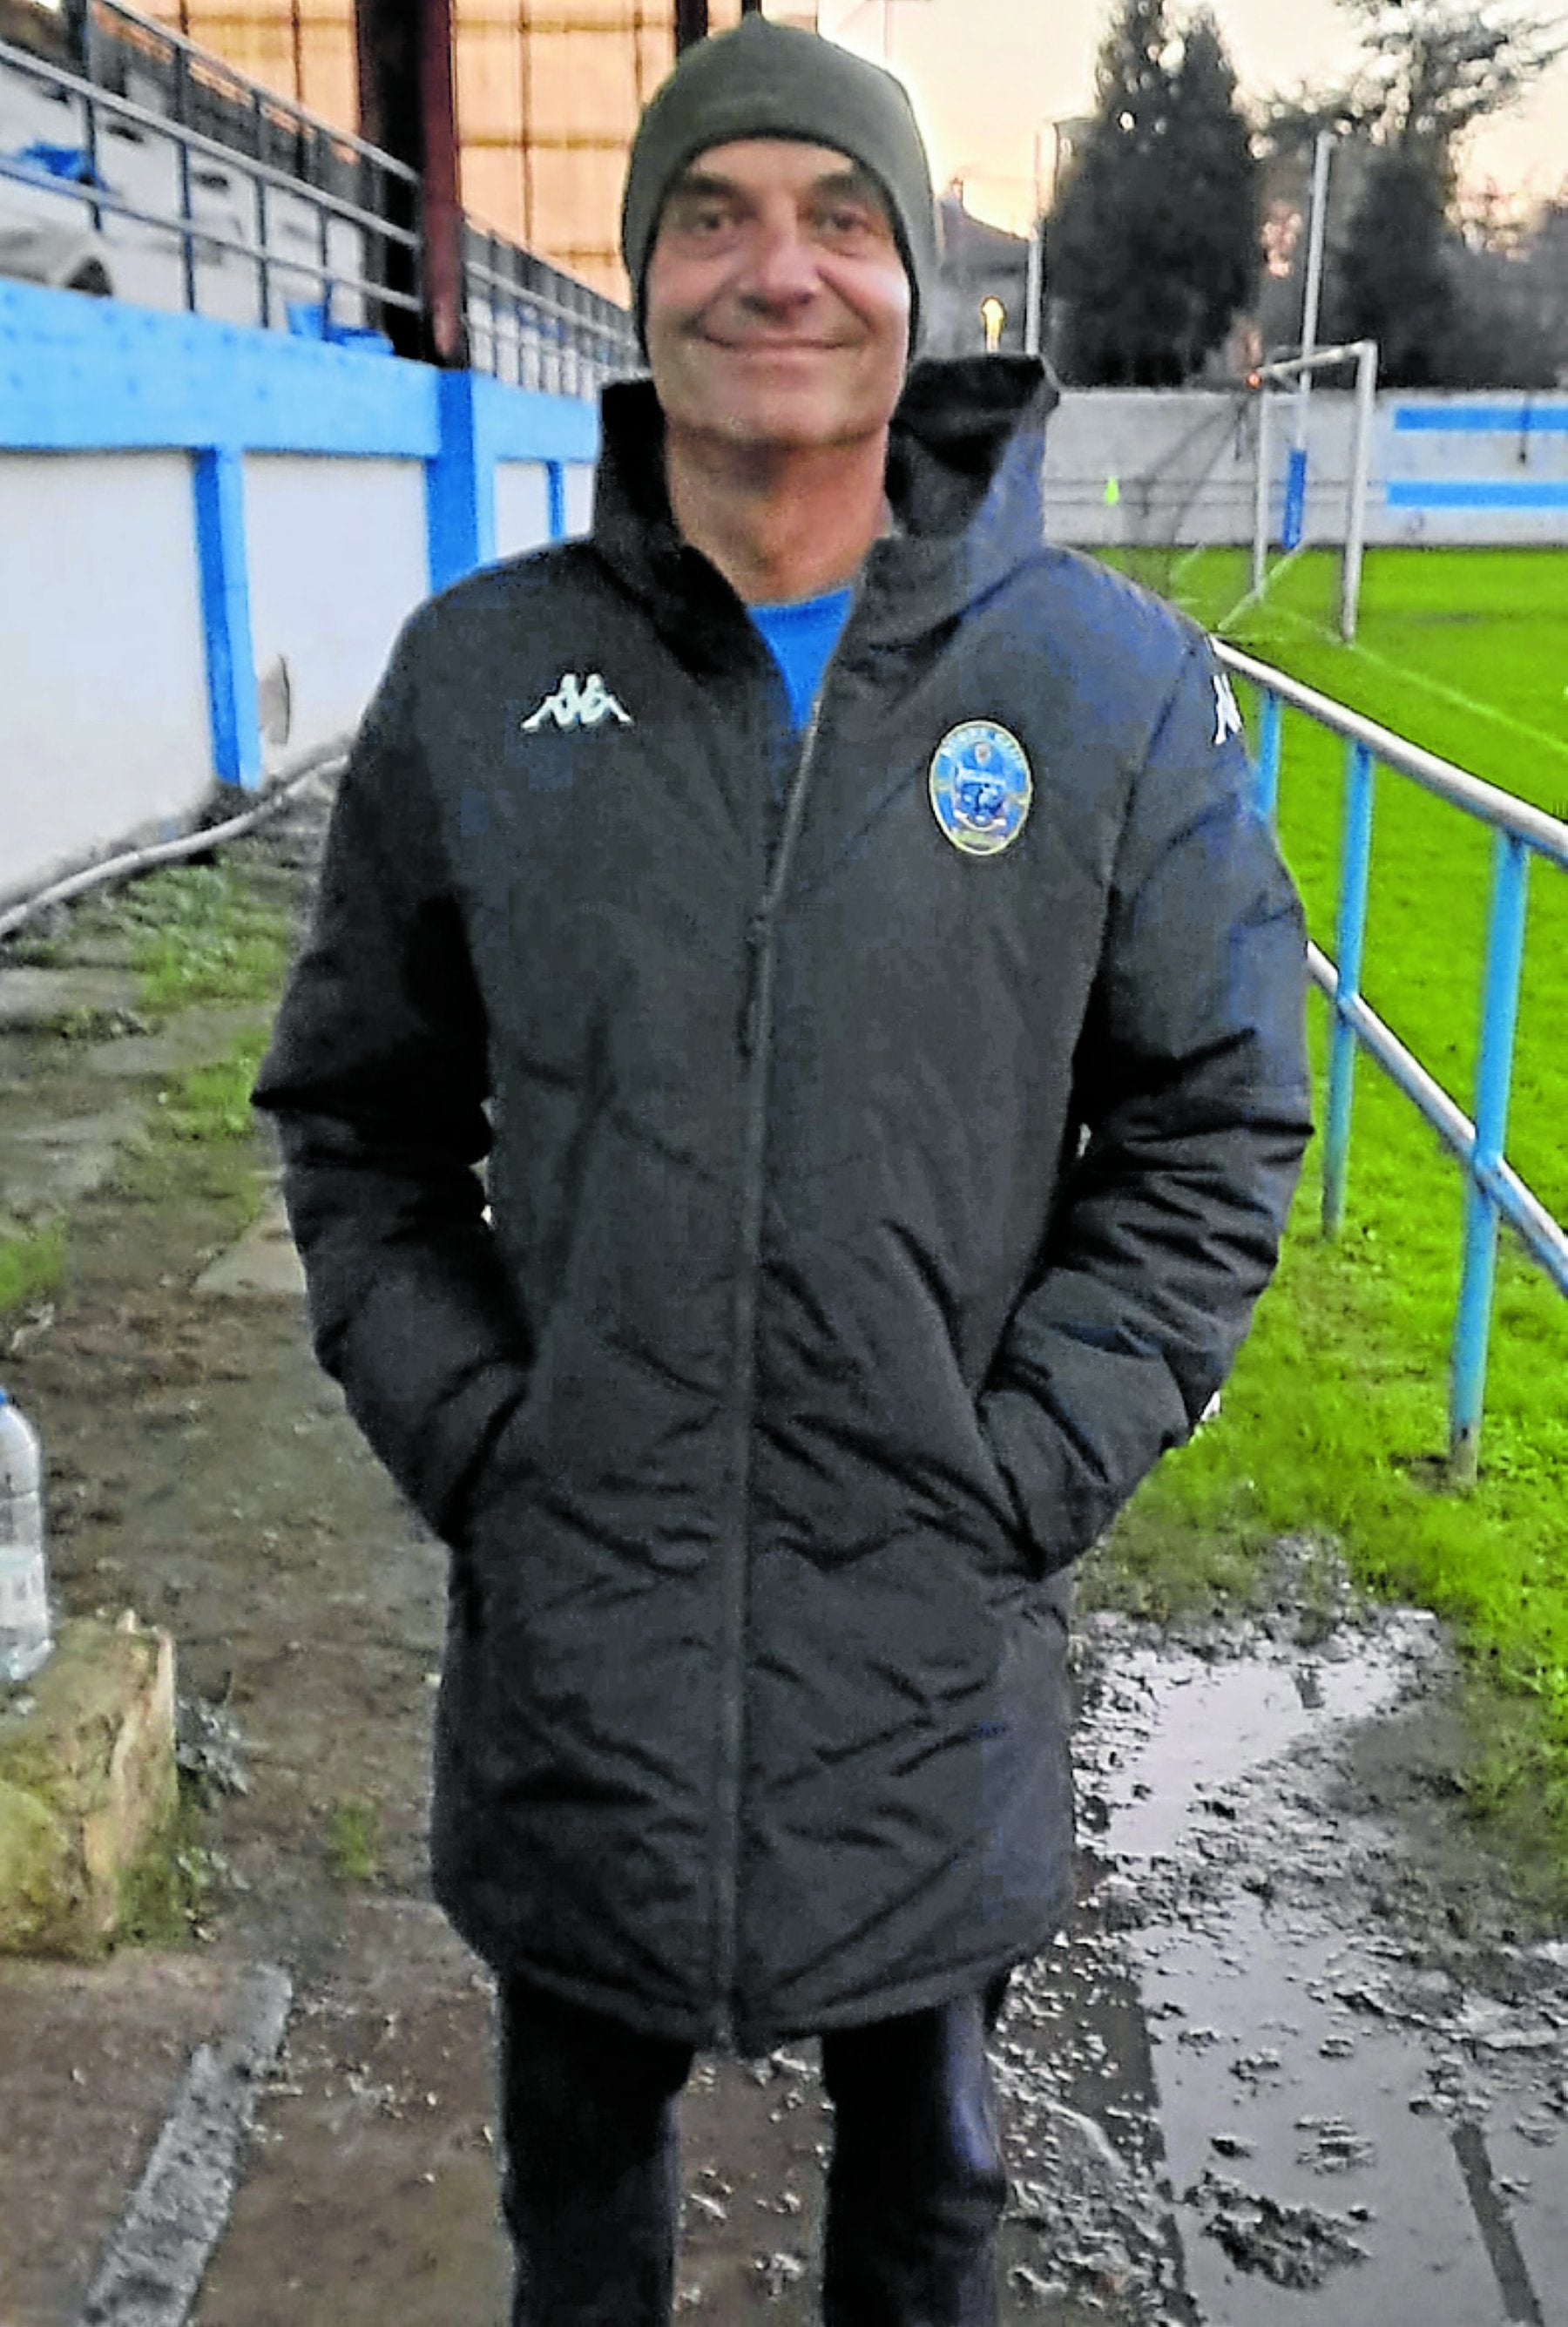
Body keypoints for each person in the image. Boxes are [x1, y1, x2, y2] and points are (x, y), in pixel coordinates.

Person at [253, 17, 1312, 2324]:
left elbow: (1220, 1120)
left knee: (928, 2204)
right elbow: (356, 1121)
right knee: (579, 2215)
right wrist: (488, 1446)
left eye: (841, 219)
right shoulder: (480, 683)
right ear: (636, 283)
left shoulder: (1100, 695)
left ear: (923, 283)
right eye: (712, 215)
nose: (779, 270)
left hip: (929, 1631)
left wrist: (1019, 1468)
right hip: (585, 1642)